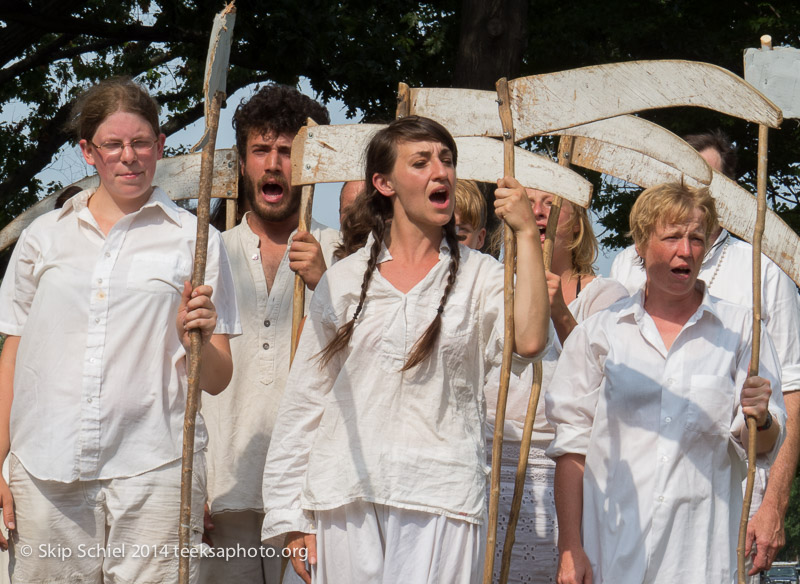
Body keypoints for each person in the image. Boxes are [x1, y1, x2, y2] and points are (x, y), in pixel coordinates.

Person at [260, 116, 551, 584]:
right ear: (384, 183)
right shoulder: (345, 279)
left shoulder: (482, 276)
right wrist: (292, 518)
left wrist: (525, 236)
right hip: (345, 495)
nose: (441, 172)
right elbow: (305, 402)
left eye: (447, 160)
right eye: (421, 162)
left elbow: (531, 341)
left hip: (442, 498)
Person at [0, 77, 239, 583]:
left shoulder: (197, 243)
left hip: (156, 468)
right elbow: (13, 353)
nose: (128, 157)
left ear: (160, 147)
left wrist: (194, 333)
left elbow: (217, 378)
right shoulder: (44, 237)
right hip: (46, 468)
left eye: (141, 143)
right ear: (88, 151)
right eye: (113, 144)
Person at [549, 181, 786, 584]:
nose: (686, 250)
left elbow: (761, 446)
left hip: (698, 556)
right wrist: (571, 547)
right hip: (614, 548)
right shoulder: (600, 334)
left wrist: (761, 418)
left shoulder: (743, 330)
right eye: (672, 237)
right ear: (640, 245)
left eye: (696, 238)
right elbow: (572, 450)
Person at [609, 131, 800, 576]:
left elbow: (792, 392)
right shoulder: (626, 265)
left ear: (728, 192)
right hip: (632, 504)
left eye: (706, 180)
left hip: (730, 504)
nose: (692, 190)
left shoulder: (763, 271)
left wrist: (774, 503)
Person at [199, 85, 339, 584]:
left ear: (311, 164)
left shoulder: (344, 252)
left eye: (287, 151)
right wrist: (194, 485)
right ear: (241, 163)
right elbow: (180, 375)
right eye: (261, 150)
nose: (274, 164)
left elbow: (370, 363)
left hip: (310, 501)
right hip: (223, 490)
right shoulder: (206, 254)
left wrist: (326, 285)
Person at [484, 190, 628, 583]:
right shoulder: (490, 283)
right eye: (528, 201)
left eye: (551, 202)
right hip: (491, 461)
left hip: (563, 467)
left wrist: (560, 313)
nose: (538, 211)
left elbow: (611, 379)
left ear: (578, 224)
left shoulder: (608, 296)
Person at [454, 178, 487, 250]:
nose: (449, 239)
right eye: (442, 228)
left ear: (479, 239)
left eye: (461, 229)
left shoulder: (488, 261)